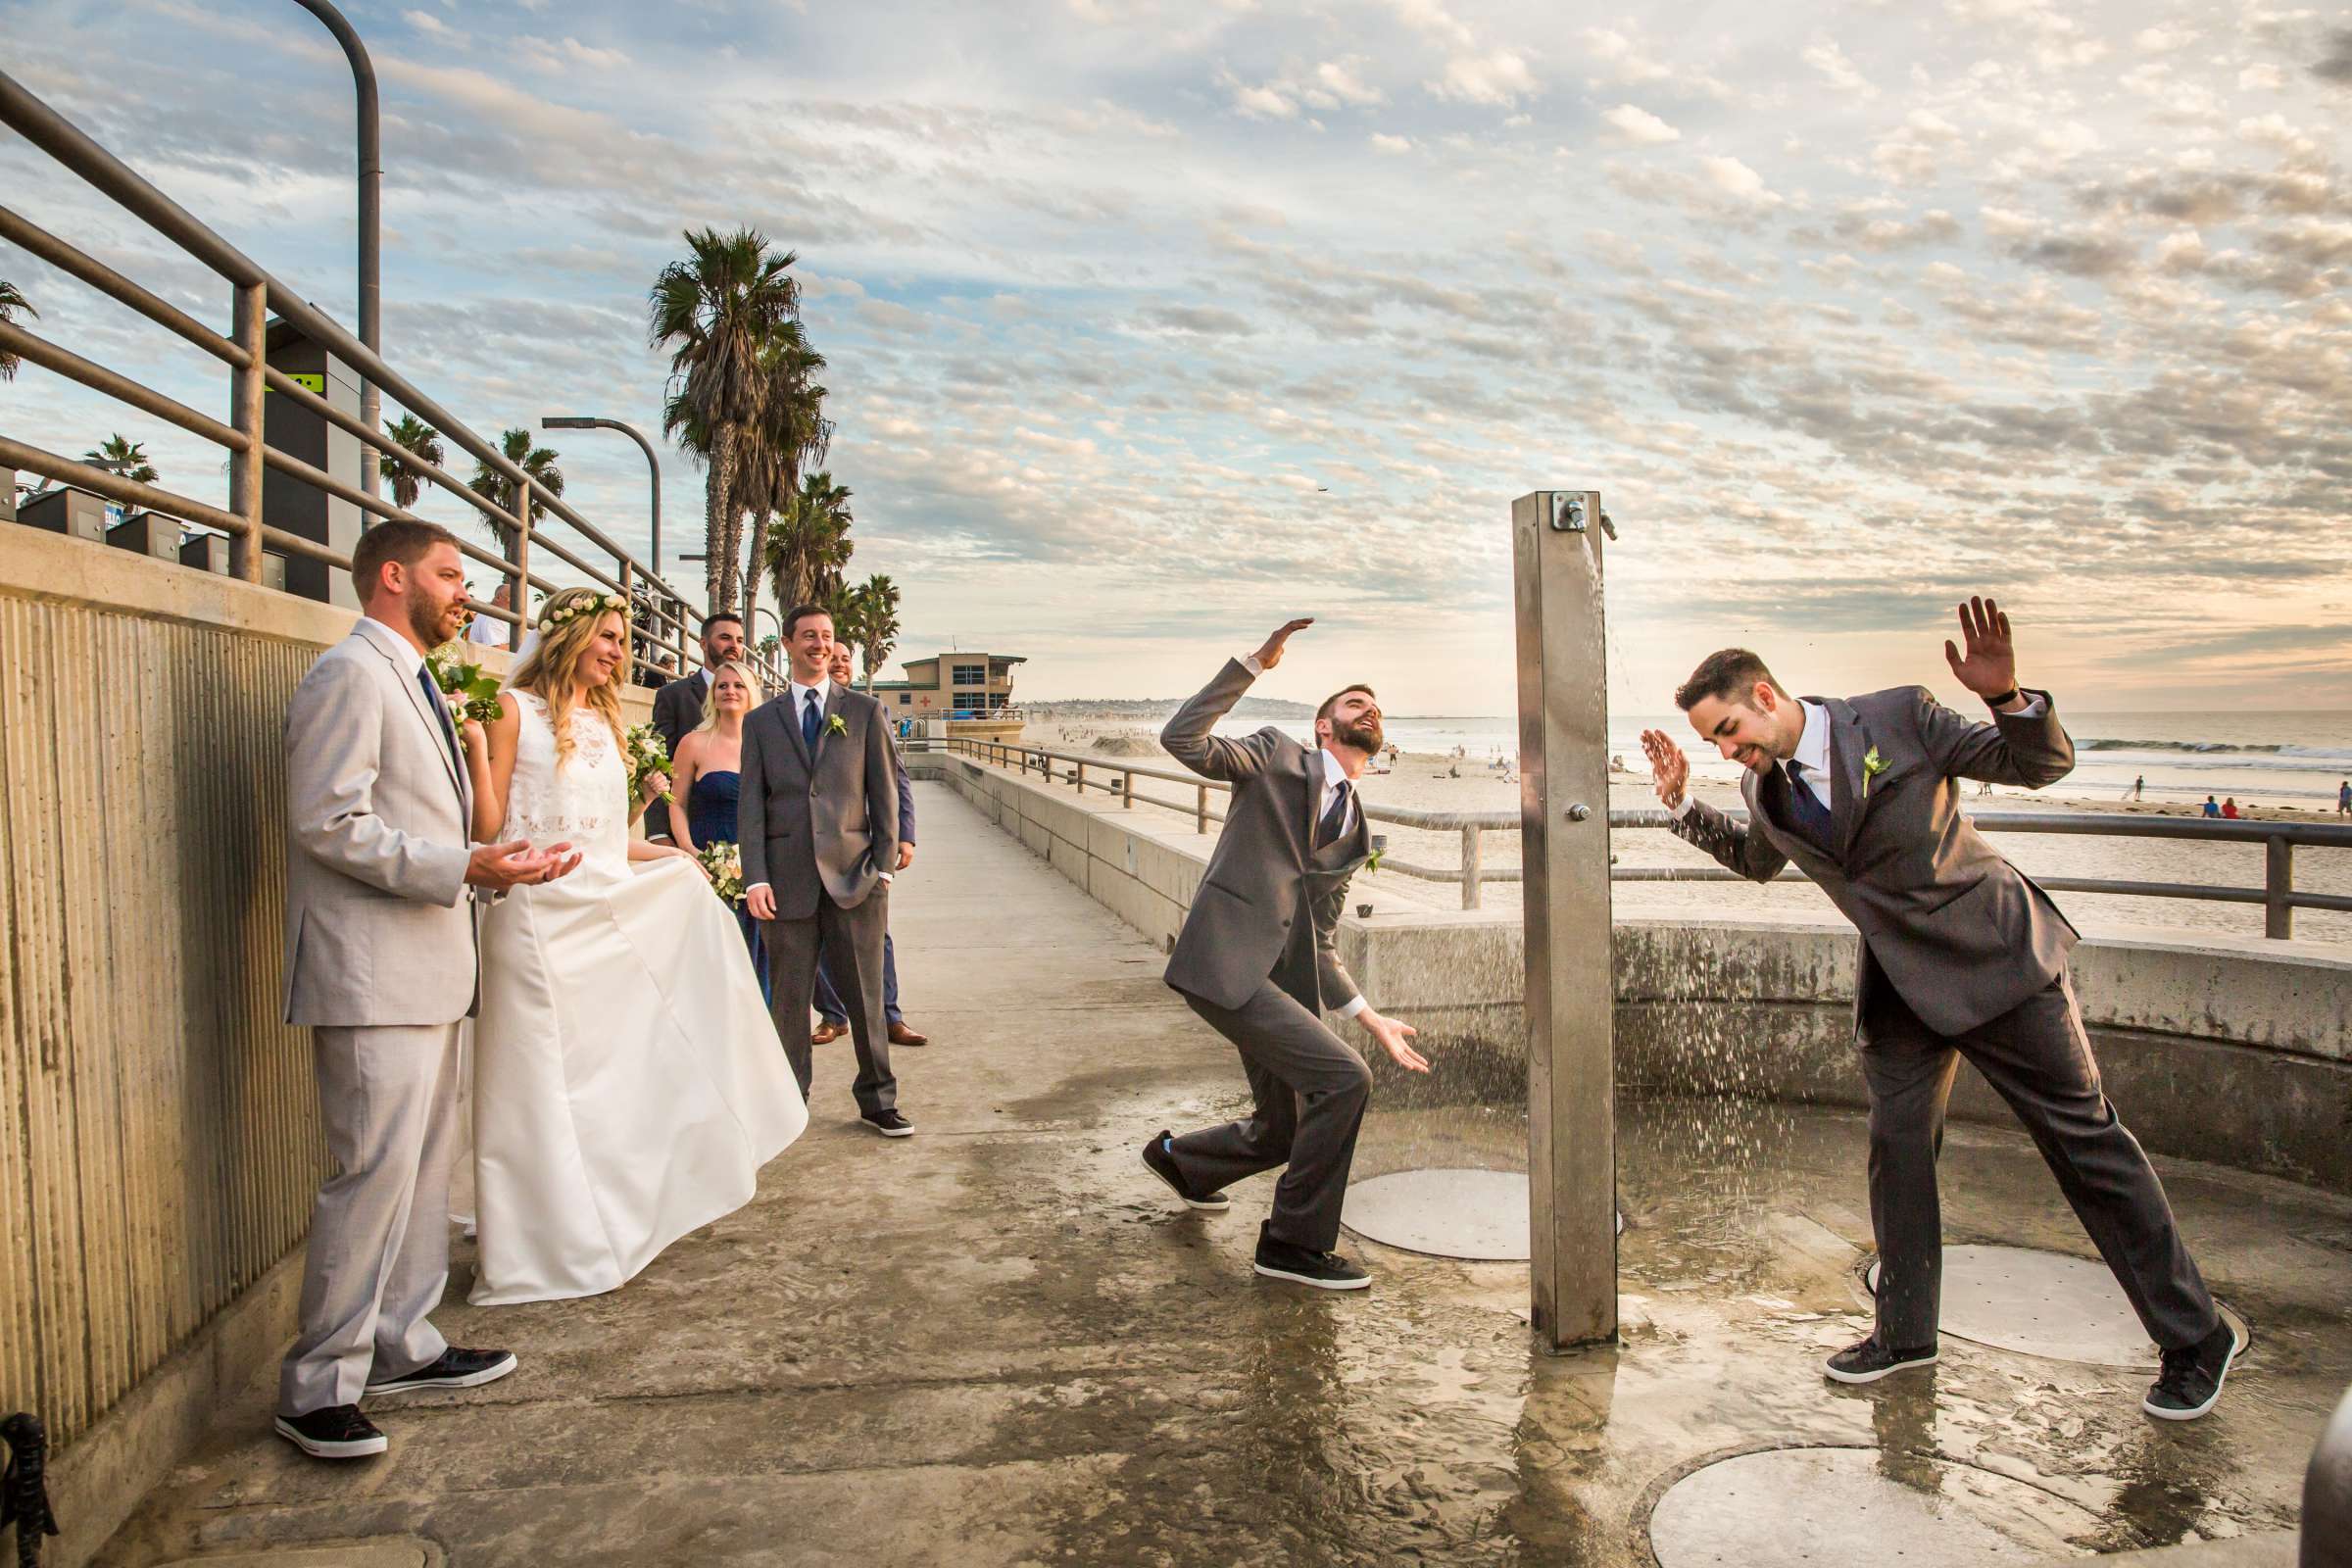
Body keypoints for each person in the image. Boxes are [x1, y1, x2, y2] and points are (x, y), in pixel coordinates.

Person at [1641, 597, 2236, 1421]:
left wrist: (2009, 701)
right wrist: (1679, 806)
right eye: (1714, 743)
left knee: (2087, 1148)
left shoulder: (1898, 715)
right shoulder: (1762, 788)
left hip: (2000, 962)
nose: (1726, 750)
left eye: (1729, 730)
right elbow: (1754, 862)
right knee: (1898, 1154)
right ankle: (1906, 1332)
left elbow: (2039, 766)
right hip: (1900, 993)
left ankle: (2196, 1339)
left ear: (1767, 696)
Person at [275, 519, 579, 1462]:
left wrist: (487, 864)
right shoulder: (349, 675)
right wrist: (462, 864)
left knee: (416, 1179)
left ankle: (404, 1345)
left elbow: (422, 820)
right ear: (393, 576)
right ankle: (316, 1385)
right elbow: (327, 822)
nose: (468, 593)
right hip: (371, 977)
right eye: (452, 575)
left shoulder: (411, 678)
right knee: (369, 1179)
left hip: (429, 969)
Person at [460, 587, 807, 1304]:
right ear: (571, 635)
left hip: (600, 904)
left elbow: (608, 840)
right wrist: (471, 750)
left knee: (609, 1077)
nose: (621, 651)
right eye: (610, 637)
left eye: (624, 639)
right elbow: (489, 826)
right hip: (536, 916)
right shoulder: (509, 712)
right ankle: (541, 1247)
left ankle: (615, 1219)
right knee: (541, 1084)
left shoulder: (602, 720)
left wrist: (673, 862)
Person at [1144, 618, 1427, 1291]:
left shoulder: (1357, 831)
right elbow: (1182, 739)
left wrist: (1370, 1017)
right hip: (1223, 965)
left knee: (1282, 1128)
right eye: (1354, 703)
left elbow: (1321, 939)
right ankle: (1292, 1244)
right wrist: (1252, 665)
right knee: (1344, 1080)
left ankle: (1182, 1162)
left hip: (1276, 983)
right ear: (1323, 726)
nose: (1369, 709)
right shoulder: (1275, 755)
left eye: (1375, 706)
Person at [742, 605, 909, 1137]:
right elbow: (752, 804)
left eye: (828, 636)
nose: (819, 644)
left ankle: (878, 1100)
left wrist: (883, 867)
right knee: (790, 1000)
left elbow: (883, 789)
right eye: (808, 636)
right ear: (787, 643)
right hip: (786, 880)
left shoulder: (862, 711)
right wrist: (756, 877)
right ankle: (791, 1101)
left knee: (865, 997)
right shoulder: (760, 721)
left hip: (856, 877)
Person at [814, 643, 927, 1049]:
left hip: (865, 848)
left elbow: (897, 780)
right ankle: (833, 1015)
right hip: (819, 845)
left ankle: (890, 1016)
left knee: (877, 935)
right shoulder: (803, 715)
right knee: (820, 936)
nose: (840, 662)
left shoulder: (868, 711)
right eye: (834, 657)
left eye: (846, 658)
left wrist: (904, 835)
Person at [671, 660, 768, 1000]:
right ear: (713, 694)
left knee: (758, 954)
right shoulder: (694, 743)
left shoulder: (767, 743)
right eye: (722, 686)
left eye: (738, 685)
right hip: (708, 860)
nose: (730, 691)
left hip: (758, 863)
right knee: (713, 954)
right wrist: (689, 849)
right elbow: (676, 802)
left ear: (751, 693)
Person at [646, 612, 746, 843]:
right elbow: (658, 766)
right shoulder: (673, 696)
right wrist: (659, 833)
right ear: (703, 643)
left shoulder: (759, 705)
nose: (734, 646)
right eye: (725, 638)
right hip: (690, 837)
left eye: (739, 640)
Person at [466, 579, 514, 647]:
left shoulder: (499, 615)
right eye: (513, 599)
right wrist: (520, 644)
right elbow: (496, 649)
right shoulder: (490, 617)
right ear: (498, 597)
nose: (516, 604)